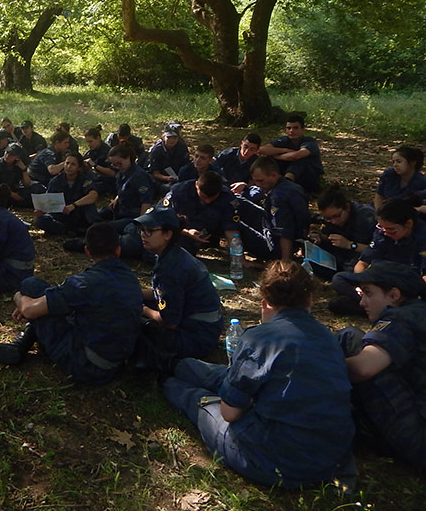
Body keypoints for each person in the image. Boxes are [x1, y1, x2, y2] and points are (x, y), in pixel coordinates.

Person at [163, 260, 354, 488]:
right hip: (328, 458)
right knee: (222, 375)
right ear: (310, 299)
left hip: (272, 459)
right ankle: (179, 365)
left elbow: (230, 414)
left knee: (196, 398)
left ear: (265, 303)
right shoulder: (329, 338)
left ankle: (165, 378)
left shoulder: (259, 338)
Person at [0, 222, 142, 385]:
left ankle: (21, 344)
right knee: (48, 302)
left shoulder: (83, 284)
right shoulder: (131, 278)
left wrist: (18, 297)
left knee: (30, 285)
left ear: (87, 251)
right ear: (118, 250)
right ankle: (21, 344)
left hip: (86, 365)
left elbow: (29, 310)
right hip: (115, 364)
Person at [339, 261, 426, 471]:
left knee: (351, 354)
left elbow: (363, 369)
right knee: (350, 335)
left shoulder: (402, 319)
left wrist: (314, 365)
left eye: (368, 293)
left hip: (419, 440)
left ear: (394, 295)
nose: (362, 303)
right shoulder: (419, 311)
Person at [134, 209, 222, 369]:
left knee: (132, 319)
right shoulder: (174, 255)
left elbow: (169, 322)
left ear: (167, 234)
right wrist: (134, 293)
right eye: (141, 230)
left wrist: (143, 309)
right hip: (204, 329)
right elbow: (162, 294)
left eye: (149, 231)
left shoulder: (171, 269)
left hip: (195, 337)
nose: (143, 235)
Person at [329, 199, 426, 315]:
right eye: (381, 227)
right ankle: (380, 306)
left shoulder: (422, 237)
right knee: (339, 279)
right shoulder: (382, 234)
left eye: (391, 230)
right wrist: (363, 285)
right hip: (381, 279)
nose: (385, 232)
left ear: (408, 224)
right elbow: (362, 263)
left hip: (407, 283)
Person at [122, 171, 238, 260]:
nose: (207, 201)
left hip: (187, 240)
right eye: (203, 197)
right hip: (164, 230)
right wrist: (186, 231)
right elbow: (159, 218)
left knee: (178, 258)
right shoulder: (180, 191)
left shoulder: (227, 199)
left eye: (211, 198)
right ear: (196, 185)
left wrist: (239, 258)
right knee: (129, 241)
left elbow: (231, 230)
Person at [233, 156, 309, 261]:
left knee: (232, 222)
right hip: (273, 227)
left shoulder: (278, 197)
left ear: (273, 175)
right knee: (237, 201)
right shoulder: (290, 186)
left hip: (275, 246)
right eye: (256, 181)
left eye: (261, 181)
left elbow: (285, 232)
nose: (258, 185)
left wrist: (285, 260)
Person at [307, 184, 375, 281]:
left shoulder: (366, 218)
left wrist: (350, 245)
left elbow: (377, 250)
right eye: (328, 218)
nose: (333, 221)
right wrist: (319, 237)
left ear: (347, 207)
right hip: (340, 255)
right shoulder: (331, 219)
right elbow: (330, 236)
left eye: (337, 216)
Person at [35, 152, 100, 236]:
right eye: (67, 163)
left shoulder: (84, 179)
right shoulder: (55, 181)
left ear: (79, 167)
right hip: (62, 215)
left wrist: (74, 205)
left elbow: (93, 195)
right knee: (40, 220)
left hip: (79, 213)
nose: (69, 167)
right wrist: (42, 210)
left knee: (90, 208)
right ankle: (70, 231)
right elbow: (49, 203)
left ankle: (84, 230)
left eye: (73, 164)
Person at [258, 113, 324, 193]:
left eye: (295, 128)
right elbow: (262, 150)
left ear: (303, 130)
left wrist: (277, 156)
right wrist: (284, 150)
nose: (291, 131)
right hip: (291, 176)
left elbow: (297, 155)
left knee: (301, 160)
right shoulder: (284, 140)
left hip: (309, 178)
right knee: (268, 159)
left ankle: (284, 184)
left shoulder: (309, 142)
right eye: (289, 128)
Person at [0, 142, 41, 209]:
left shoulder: (17, 164)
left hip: (13, 188)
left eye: (12, 154)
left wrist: (23, 169)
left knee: (36, 189)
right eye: (7, 152)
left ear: (17, 157)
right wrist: (11, 194)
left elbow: (27, 183)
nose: (8, 156)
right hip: (1, 192)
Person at [375, 145, 426, 211]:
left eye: (399, 162)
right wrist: (378, 212)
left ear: (412, 163)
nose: (395, 165)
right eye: (393, 162)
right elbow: (379, 195)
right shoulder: (389, 174)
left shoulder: (421, 182)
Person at [147, 121, 189, 189]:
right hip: (161, 178)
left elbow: (186, 165)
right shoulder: (157, 150)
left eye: (175, 137)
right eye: (169, 137)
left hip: (178, 175)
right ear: (163, 137)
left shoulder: (182, 146)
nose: (172, 140)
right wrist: (166, 178)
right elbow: (155, 173)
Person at [82, 125, 115, 194]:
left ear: (98, 138)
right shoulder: (91, 151)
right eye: (87, 142)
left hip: (106, 181)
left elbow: (112, 173)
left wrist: (95, 165)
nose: (88, 144)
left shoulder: (108, 152)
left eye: (90, 141)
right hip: (94, 177)